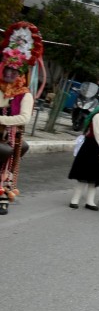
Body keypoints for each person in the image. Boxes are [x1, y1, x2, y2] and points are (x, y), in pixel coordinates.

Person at [0, 23, 43, 216]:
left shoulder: (24, 94)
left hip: (7, 135)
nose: (9, 74)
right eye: (7, 69)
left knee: (7, 150)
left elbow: (24, 118)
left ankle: (3, 192)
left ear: (21, 74)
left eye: (14, 71)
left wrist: (1, 119)